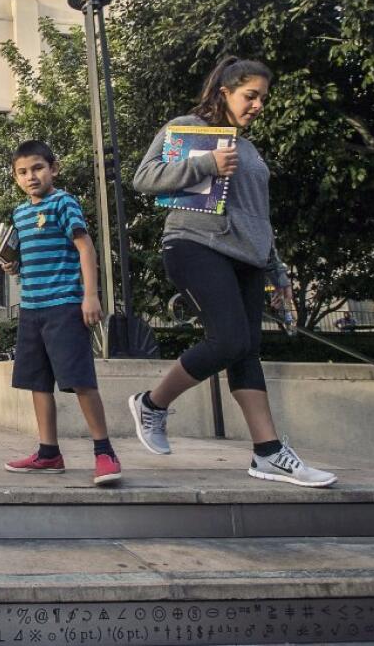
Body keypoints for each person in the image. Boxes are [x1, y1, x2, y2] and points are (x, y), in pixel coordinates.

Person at [130, 56, 336, 488]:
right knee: (228, 340)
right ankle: (152, 403)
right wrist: (206, 164)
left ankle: (268, 453)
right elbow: (144, 177)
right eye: (250, 95)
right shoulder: (187, 126)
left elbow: (257, 215)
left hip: (247, 258)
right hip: (194, 243)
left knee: (246, 352)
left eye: (263, 97)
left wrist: (277, 271)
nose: (258, 104)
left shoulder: (250, 149)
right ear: (224, 92)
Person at [1, 140, 122, 485]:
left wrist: (91, 296)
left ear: (54, 168)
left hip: (65, 305)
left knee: (80, 380)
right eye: (22, 172)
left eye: (38, 168)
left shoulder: (63, 202)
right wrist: (15, 266)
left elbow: (85, 248)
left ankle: (104, 452)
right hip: (32, 308)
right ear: (15, 177)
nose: (31, 176)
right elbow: (29, 256)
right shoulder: (20, 213)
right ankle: (48, 453)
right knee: (39, 383)